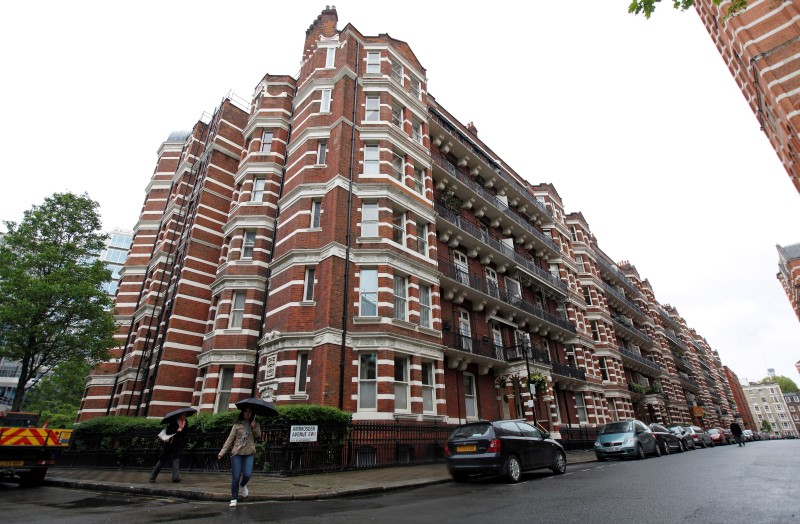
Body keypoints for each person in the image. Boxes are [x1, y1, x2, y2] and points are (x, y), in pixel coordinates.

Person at [218, 406, 262, 507]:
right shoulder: (237, 424)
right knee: (236, 477)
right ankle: (234, 498)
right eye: (246, 411)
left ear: (252, 413)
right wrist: (222, 452)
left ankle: (242, 485)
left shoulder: (255, 423)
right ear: (243, 412)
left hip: (249, 452)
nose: (247, 413)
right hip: (237, 453)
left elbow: (258, 436)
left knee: (247, 474)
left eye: (250, 411)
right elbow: (230, 439)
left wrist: (254, 427)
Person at [150, 412, 189, 483]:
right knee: (162, 460)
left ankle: (175, 477)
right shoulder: (173, 421)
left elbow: (185, 433)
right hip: (170, 444)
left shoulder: (186, 422)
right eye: (183, 415)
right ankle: (152, 476)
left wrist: (181, 432)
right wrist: (176, 430)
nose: (184, 416)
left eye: (185, 415)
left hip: (178, 444)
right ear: (179, 415)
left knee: (176, 459)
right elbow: (168, 432)